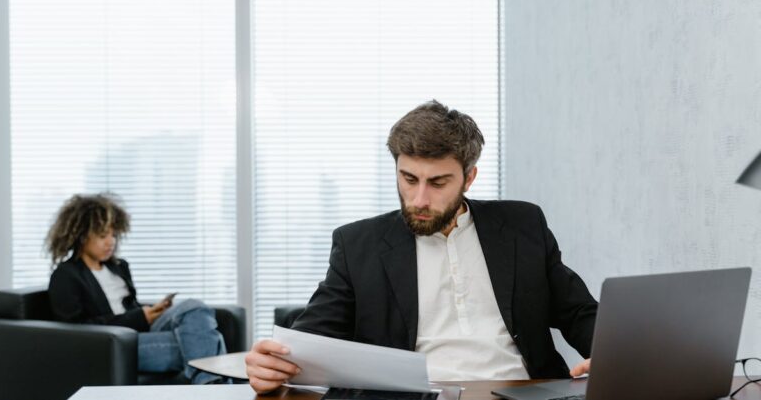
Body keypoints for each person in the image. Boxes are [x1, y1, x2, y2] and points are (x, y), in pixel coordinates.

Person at [245, 100, 597, 393]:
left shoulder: (522, 225)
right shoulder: (358, 246)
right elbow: (311, 341)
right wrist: (272, 364)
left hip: (523, 393)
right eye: (408, 179)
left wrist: (611, 357)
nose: (419, 198)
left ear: (469, 176)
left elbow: (578, 312)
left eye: (438, 182)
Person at [46, 193, 229, 384]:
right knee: (203, 342)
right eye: (102, 236)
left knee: (194, 306)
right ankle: (214, 390)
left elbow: (129, 307)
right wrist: (140, 317)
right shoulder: (66, 275)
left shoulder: (118, 266)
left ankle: (210, 387)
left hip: (140, 330)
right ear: (82, 237)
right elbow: (78, 330)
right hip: (114, 345)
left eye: (113, 234)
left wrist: (153, 312)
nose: (111, 242)